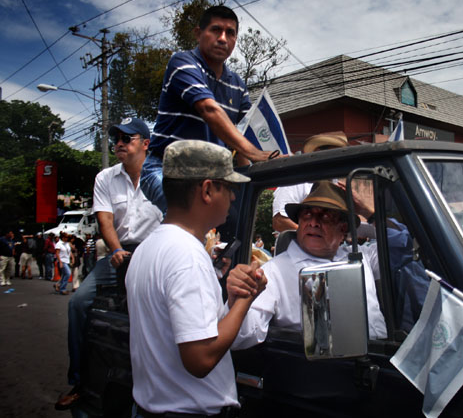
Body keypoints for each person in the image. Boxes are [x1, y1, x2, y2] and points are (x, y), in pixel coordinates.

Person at [126, 140, 267, 416]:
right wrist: (246, 300)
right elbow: (200, 359)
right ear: (207, 190)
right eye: (228, 188)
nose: (233, 198)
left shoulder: (147, 248)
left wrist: (233, 297)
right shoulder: (187, 255)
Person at [55, 117, 163, 411]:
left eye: (127, 138)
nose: (119, 143)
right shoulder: (105, 177)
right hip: (121, 252)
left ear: (145, 143)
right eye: (117, 138)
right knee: (78, 303)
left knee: (159, 315)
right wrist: (114, 250)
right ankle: (79, 381)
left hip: (156, 252)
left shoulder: (164, 176)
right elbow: (105, 220)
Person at [141, 5, 273, 214]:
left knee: (237, 224)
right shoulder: (183, 63)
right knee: (191, 214)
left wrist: (250, 180)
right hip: (165, 170)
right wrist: (257, 154)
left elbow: (245, 131)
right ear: (198, 33)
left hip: (211, 177)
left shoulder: (237, 84)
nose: (223, 38)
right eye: (215, 30)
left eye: (230, 33)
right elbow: (209, 109)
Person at [229, 181, 387, 351]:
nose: (313, 223)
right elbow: (241, 337)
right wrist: (237, 299)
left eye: (325, 216)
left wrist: (369, 214)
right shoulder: (273, 272)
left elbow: (402, 241)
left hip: (383, 359)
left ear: (343, 228)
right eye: (307, 215)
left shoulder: (363, 257)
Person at [272, 132, 349, 232]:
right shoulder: (296, 181)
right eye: (333, 154)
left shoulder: (336, 183)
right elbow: (280, 221)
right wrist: (315, 235)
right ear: (318, 154)